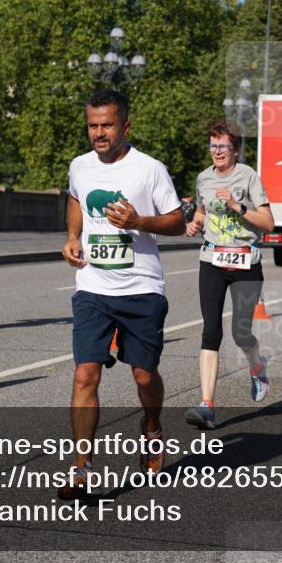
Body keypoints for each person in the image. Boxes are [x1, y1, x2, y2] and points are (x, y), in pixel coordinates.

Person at [59, 89, 185, 491]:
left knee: (145, 376)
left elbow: (178, 222)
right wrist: (72, 235)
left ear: (125, 126)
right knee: (85, 375)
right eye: (93, 125)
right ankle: (81, 466)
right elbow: (76, 198)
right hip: (93, 286)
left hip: (142, 288)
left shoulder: (149, 169)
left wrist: (139, 221)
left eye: (107, 125)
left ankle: (151, 425)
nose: (99, 132)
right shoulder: (80, 166)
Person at [183, 120, 274, 429]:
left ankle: (257, 366)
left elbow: (269, 222)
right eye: (213, 146)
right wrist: (194, 224)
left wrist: (237, 206)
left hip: (246, 262)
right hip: (212, 260)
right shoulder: (203, 178)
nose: (217, 152)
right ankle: (206, 405)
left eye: (222, 146)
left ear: (235, 149)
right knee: (211, 330)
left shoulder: (248, 176)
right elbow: (201, 211)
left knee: (241, 332)